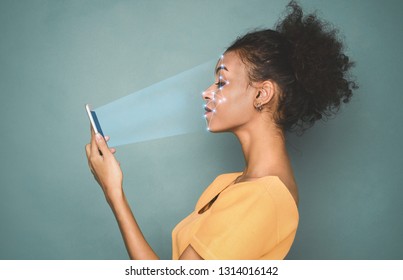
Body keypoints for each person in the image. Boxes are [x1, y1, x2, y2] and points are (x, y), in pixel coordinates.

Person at [85, 1, 357, 260]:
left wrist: (114, 193)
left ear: (262, 94)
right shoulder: (229, 184)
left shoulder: (261, 198)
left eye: (222, 82)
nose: (206, 92)